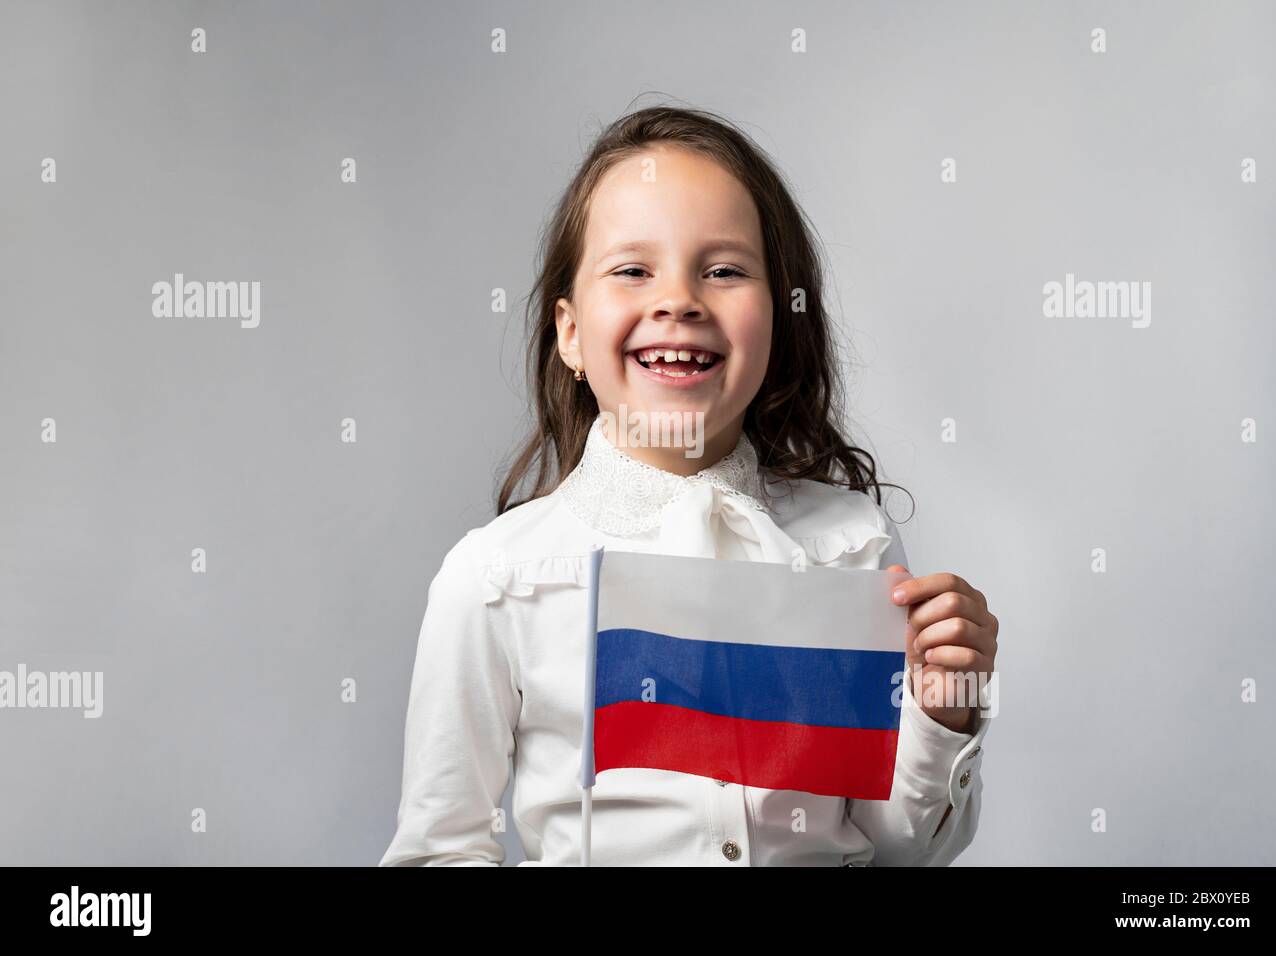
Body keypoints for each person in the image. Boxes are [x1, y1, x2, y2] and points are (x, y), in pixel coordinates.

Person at [379, 105, 998, 866]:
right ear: (569, 333)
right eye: (633, 270)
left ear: (779, 319)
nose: (679, 300)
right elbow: (439, 849)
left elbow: (900, 849)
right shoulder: (495, 579)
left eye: (725, 270)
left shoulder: (852, 543)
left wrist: (944, 714)